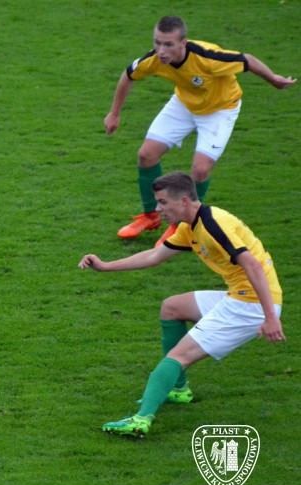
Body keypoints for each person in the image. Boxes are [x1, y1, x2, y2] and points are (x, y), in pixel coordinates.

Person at [78, 171, 284, 436]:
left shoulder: (213, 225)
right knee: (172, 307)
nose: (158, 209)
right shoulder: (190, 227)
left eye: (163, 202)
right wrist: (105, 266)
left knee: (178, 356)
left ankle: (141, 420)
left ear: (184, 200)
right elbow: (155, 256)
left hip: (251, 305)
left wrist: (270, 317)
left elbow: (252, 265)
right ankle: (178, 389)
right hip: (242, 295)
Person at [105, 15, 295, 245]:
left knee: (201, 169)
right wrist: (114, 113)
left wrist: (274, 79)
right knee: (146, 155)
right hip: (185, 104)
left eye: (168, 44)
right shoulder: (154, 59)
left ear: (183, 43)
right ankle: (150, 215)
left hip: (220, 109)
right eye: (157, 42)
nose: (161, 51)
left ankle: (183, 227)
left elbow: (248, 60)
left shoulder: (208, 57)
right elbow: (128, 75)